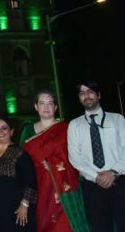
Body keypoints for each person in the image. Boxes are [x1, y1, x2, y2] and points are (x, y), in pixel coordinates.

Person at [68, 81, 125, 232]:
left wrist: (113, 172)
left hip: (120, 183)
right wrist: (96, 177)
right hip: (93, 187)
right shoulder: (74, 125)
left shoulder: (118, 119)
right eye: (82, 93)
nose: (86, 95)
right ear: (79, 99)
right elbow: (75, 157)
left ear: (99, 95)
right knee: (99, 228)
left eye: (90, 91)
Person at [22, 90, 81, 232]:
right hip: (40, 189)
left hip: (65, 188)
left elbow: (76, 156)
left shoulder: (67, 128)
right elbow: (23, 162)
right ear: (36, 107)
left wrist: (52, 164)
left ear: (55, 107)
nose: (46, 107)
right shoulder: (28, 131)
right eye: (42, 103)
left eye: (50, 103)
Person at [0, 116, 37, 232]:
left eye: (4, 128)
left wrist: (24, 205)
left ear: (11, 131)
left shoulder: (21, 154)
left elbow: (30, 182)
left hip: (17, 210)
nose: (0, 131)